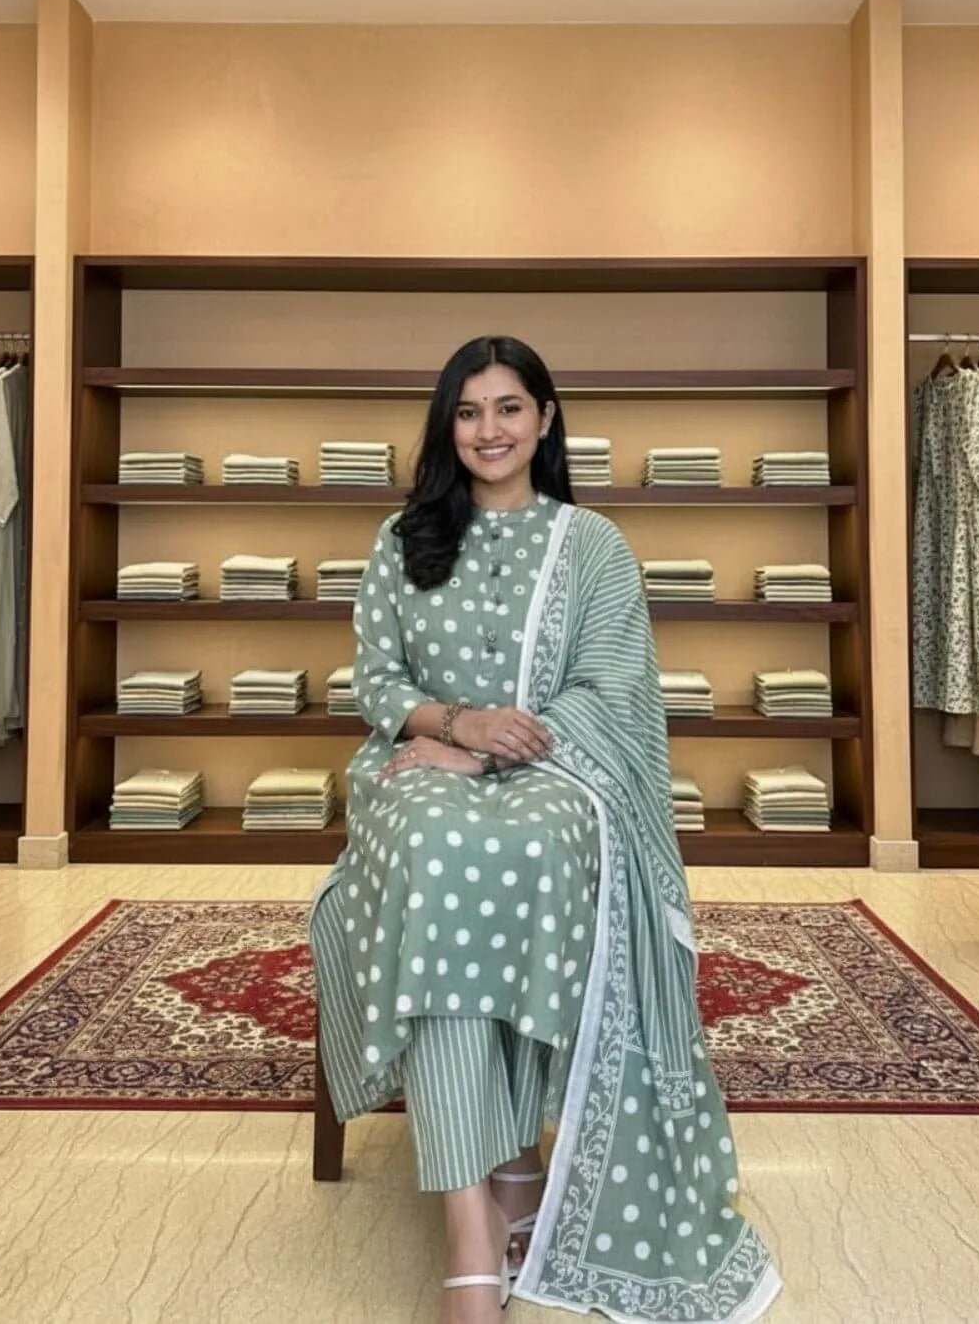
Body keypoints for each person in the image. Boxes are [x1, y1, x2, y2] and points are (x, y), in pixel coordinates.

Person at [309, 335, 781, 1323]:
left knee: (522, 849)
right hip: (415, 767)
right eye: (470, 410)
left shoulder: (593, 545)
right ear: (449, 426)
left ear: (546, 419)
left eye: (509, 407)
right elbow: (376, 683)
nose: (490, 429)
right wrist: (447, 725)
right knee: (439, 857)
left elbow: (613, 696)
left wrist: (484, 748)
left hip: (558, 771)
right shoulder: (405, 541)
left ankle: (514, 1159)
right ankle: (473, 1224)